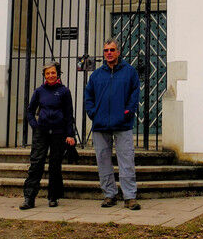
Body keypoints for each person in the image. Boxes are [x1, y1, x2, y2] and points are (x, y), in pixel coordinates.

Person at [84, 38, 141, 210]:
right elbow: (89, 97)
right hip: (100, 125)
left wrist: (128, 112)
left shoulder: (129, 72)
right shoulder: (96, 75)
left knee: (126, 160)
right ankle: (109, 195)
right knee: (103, 161)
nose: (109, 53)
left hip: (122, 124)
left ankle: (129, 197)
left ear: (118, 52)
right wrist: (93, 113)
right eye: (106, 50)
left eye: (112, 50)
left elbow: (134, 94)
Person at [20, 62, 77, 210]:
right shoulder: (39, 91)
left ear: (57, 74)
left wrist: (70, 134)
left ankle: (53, 197)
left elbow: (69, 115)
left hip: (59, 133)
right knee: (36, 164)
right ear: (44, 76)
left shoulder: (64, 92)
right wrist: (35, 125)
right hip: (42, 132)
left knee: (55, 165)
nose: (50, 75)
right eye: (47, 73)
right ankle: (29, 198)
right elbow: (30, 111)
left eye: (53, 73)